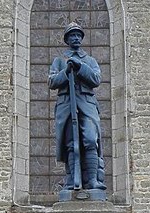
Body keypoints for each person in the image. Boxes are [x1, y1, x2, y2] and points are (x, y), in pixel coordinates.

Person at [48, 22, 106, 193]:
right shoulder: (59, 61)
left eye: (78, 35)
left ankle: (93, 180)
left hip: (87, 104)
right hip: (66, 104)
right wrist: (66, 71)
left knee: (90, 140)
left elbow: (96, 79)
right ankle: (73, 179)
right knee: (71, 144)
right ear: (67, 39)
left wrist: (80, 67)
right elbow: (52, 82)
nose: (76, 38)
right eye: (72, 35)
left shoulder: (90, 61)